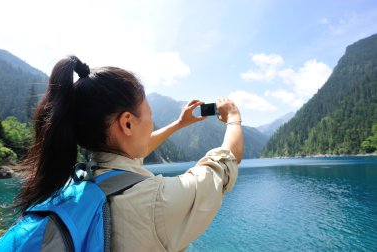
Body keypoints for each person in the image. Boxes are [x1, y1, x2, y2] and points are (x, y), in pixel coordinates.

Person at [15, 55, 243, 251]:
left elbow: (132, 155)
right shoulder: (158, 202)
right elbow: (224, 165)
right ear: (127, 124)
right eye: (150, 114)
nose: (152, 123)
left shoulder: (80, 183)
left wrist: (179, 123)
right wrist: (234, 118)